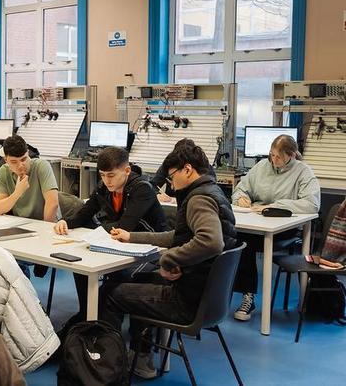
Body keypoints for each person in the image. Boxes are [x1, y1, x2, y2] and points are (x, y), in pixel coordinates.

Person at [102, 143, 237, 379]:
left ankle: (113, 365)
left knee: (112, 293)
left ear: (187, 169)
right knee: (143, 278)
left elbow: (211, 242)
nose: (170, 184)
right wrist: (132, 237)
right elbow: (179, 237)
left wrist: (167, 259)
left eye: (172, 177)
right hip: (208, 297)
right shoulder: (213, 192)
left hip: (187, 301)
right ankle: (141, 355)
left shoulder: (199, 199)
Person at [52, 146, 169, 323]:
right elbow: (85, 213)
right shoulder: (104, 188)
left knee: (117, 278)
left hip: (150, 252)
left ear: (127, 170)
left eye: (111, 175)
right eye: (102, 175)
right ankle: (87, 315)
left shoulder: (142, 189)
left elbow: (125, 226)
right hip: (119, 245)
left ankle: (107, 327)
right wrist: (66, 222)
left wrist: (94, 233)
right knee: (81, 267)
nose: (107, 181)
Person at [230, 134, 320, 322]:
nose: (274, 160)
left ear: (292, 155)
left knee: (246, 242)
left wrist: (277, 206)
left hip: (284, 229)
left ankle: (248, 296)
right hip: (257, 222)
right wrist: (240, 198)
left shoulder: (303, 172)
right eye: (271, 155)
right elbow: (240, 188)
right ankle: (248, 295)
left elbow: (312, 204)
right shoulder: (261, 167)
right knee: (238, 240)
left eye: (278, 156)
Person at [0, 135, 60, 222]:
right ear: (6, 160)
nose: (20, 165)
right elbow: (0, 208)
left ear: (28, 153)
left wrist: (45, 229)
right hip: (22, 224)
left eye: (23, 159)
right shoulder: (3, 171)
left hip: (47, 223)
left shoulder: (42, 166)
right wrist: (18, 192)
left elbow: (53, 204)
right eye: (14, 162)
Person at [150, 138, 217, 203]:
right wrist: (157, 195)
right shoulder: (169, 166)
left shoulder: (206, 169)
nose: (172, 186)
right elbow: (152, 185)